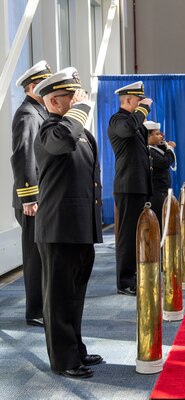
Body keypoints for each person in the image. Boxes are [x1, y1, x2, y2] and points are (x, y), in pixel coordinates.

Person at [33, 67, 103, 378]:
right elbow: (63, 141)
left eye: (77, 95)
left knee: (75, 296)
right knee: (59, 299)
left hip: (79, 227)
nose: (78, 100)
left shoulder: (79, 131)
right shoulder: (49, 131)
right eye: (71, 96)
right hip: (58, 228)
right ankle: (63, 360)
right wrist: (82, 109)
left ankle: (77, 349)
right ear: (53, 101)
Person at [10, 60, 52, 327]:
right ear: (33, 86)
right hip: (32, 199)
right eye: (45, 85)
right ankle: (35, 311)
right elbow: (23, 156)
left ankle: (42, 307)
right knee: (35, 256)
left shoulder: (40, 111)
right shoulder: (28, 114)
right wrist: (29, 197)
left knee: (42, 254)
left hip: (41, 196)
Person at [108, 81, 153, 296]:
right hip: (128, 186)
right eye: (139, 100)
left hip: (138, 186)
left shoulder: (135, 123)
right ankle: (124, 281)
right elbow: (127, 130)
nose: (142, 103)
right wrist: (143, 110)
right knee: (127, 235)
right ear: (128, 100)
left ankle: (134, 275)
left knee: (137, 234)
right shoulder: (119, 120)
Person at [145, 120, 176, 227]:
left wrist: (164, 147)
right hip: (156, 193)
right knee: (159, 224)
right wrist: (170, 149)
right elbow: (165, 162)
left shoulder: (155, 149)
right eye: (157, 134)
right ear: (147, 136)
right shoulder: (149, 151)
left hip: (162, 192)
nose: (161, 136)